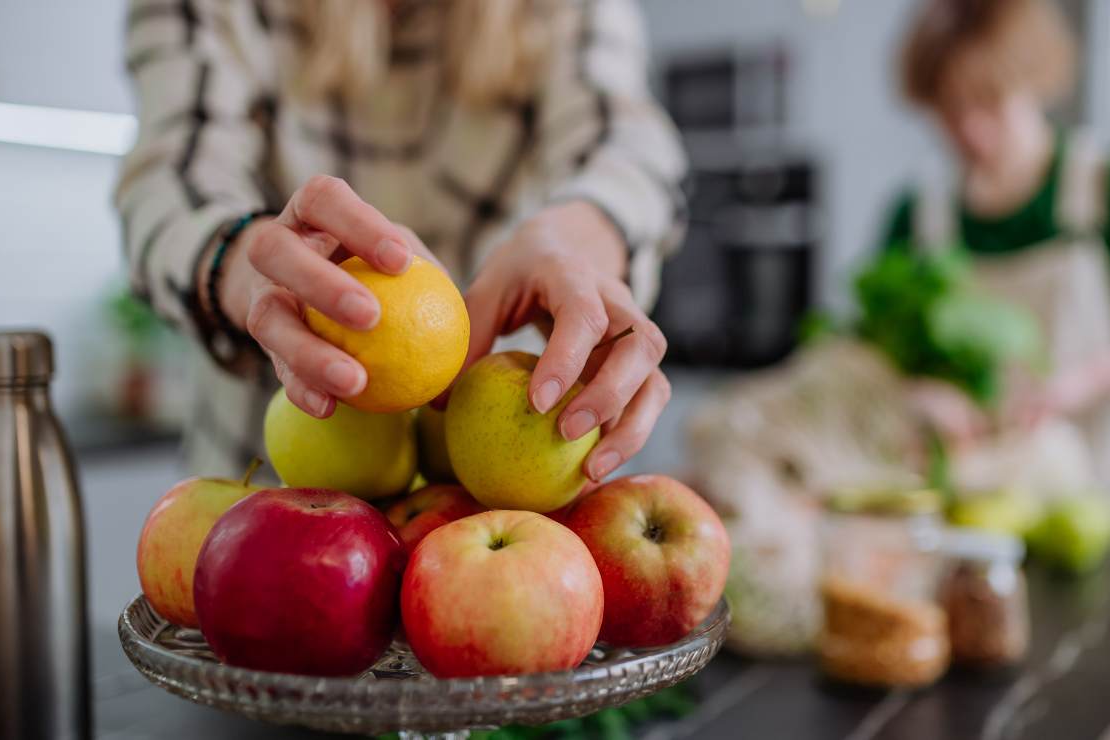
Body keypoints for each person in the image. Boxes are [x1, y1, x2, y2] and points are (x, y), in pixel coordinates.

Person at [115, 0, 685, 482]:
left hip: (497, 485)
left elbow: (624, 140)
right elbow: (174, 176)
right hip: (268, 487)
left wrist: (571, 240)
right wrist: (243, 261)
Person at [879, 0, 1110, 538]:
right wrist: (915, 394)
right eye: (950, 110)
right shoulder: (918, 219)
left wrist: (1101, 374)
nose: (972, 132)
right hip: (975, 526)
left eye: (988, 102)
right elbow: (871, 366)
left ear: (1033, 81)